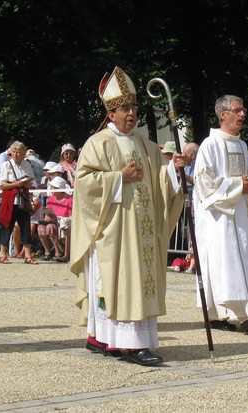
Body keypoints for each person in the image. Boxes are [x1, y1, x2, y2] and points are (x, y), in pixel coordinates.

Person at [70, 66, 185, 366]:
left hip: (142, 231)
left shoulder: (146, 145)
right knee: (116, 282)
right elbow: (83, 186)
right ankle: (130, 344)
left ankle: (103, 338)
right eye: (124, 108)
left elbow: (161, 181)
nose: (131, 113)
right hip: (113, 231)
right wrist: (118, 178)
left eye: (133, 107)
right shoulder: (98, 143)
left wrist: (174, 170)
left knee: (134, 279)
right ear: (111, 114)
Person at [193, 95, 248, 333]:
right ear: (223, 114)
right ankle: (239, 313)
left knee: (241, 258)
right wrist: (239, 186)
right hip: (218, 216)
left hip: (240, 214)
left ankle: (226, 314)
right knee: (224, 262)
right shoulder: (210, 144)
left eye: (243, 110)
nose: (242, 114)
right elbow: (204, 181)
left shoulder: (242, 145)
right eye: (237, 110)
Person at [0, 141, 38, 265]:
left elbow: (31, 180)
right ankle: (3, 254)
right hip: (10, 198)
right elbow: (2, 185)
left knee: (26, 225)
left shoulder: (26, 164)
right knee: (7, 224)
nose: (15, 154)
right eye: (14, 151)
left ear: (23, 153)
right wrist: (16, 184)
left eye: (18, 152)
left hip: (23, 198)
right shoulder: (6, 165)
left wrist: (25, 183)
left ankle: (27, 255)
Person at [40, 176, 73, 261]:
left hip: (64, 222)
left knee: (50, 228)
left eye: (53, 187)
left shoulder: (69, 200)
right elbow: (48, 212)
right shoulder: (51, 198)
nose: (50, 189)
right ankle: (48, 252)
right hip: (53, 221)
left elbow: (71, 217)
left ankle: (59, 252)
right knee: (41, 228)